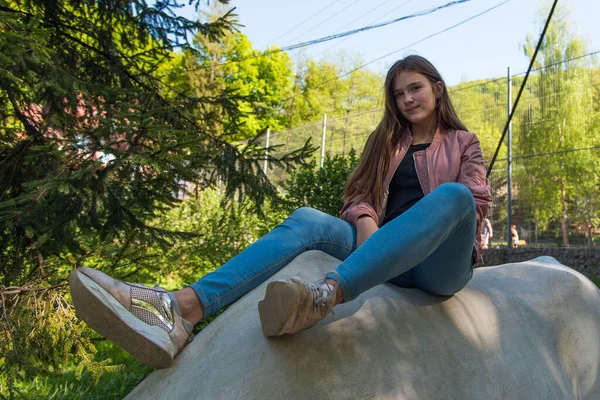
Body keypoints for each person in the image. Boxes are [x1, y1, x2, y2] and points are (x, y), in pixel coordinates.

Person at [69, 55, 492, 369]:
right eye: (398, 94)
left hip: (439, 266)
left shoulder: (463, 142)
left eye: (414, 88)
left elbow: (474, 201)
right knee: (309, 218)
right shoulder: (385, 141)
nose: (406, 99)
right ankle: (181, 308)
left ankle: (325, 294)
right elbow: (359, 195)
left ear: (437, 89)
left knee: (454, 195)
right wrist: (367, 226)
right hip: (382, 254)